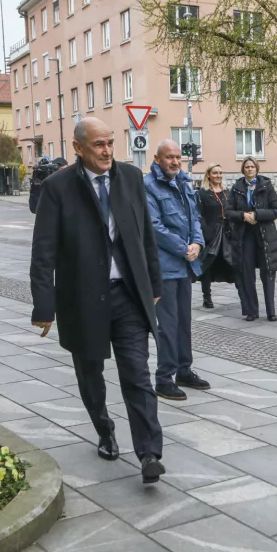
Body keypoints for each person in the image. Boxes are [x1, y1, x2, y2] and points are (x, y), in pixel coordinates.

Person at [30, 118, 167, 484]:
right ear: (78, 148)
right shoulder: (58, 187)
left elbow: (145, 235)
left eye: (110, 143)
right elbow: (43, 251)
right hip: (82, 299)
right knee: (91, 375)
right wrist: (44, 306)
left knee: (137, 374)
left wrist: (153, 284)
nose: (107, 151)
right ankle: (105, 431)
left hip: (128, 295)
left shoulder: (130, 177)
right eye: (98, 145)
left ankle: (149, 453)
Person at [144, 140, 210, 401]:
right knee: (168, 325)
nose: (174, 161)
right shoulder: (148, 186)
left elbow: (195, 219)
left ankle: (184, 370)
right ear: (157, 159)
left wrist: (197, 243)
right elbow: (154, 227)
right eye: (169, 157)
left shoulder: (184, 183)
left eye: (177, 157)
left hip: (185, 266)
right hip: (165, 267)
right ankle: (164, 378)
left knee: (183, 322)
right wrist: (184, 248)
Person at [226, 157, 277, 322]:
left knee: (268, 272)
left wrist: (256, 215)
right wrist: (244, 215)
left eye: (252, 166)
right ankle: (252, 311)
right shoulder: (236, 188)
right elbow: (228, 212)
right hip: (245, 235)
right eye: (247, 167)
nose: (249, 169)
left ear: (257, 169)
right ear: (243, 170)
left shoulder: (266, 186)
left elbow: (276, 210)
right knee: (247, 273)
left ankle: (271, 311)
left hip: (265, 234)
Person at [196, 163, 236, 309]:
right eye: (215, 173)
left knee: (233, 262)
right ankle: (207, 297)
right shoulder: (203, 193)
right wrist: (205, 231)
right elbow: (199, 214)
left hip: (227, 233)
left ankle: (243, 294)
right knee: (208, 265)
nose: (218, 176)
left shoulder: (227, 192)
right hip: (211, 235)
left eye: (220, 173)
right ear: (208, 175)